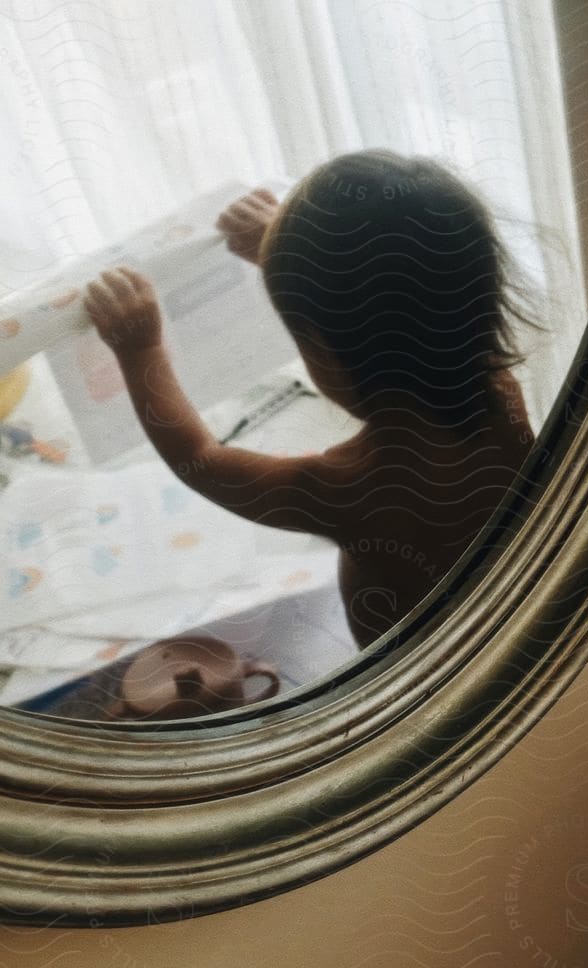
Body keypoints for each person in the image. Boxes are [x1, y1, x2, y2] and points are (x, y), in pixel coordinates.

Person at [84, 151, 538, 647]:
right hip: (514, 623)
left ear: (321, 352)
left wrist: (140, 349)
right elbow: (401, 282)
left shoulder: (342, 489)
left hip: (413, 672)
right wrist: (283, 252)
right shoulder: (502, 392)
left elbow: (201, 459)